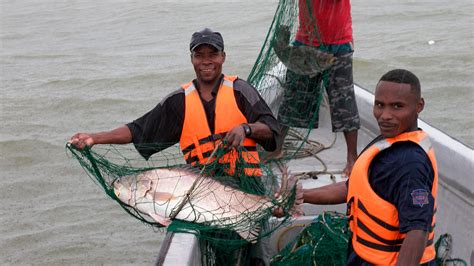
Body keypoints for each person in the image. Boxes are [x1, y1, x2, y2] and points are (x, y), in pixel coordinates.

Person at [70, 28, 280, 265]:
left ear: (223, 57)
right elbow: (139, 129)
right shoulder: (178, 101)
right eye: (199, 55)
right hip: (201, 198)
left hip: (247, 189)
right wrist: (95, 138)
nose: (206, 61)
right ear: (192, 59)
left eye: (213, 54)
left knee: (258, 259)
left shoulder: (241, 90)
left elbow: (272, 130)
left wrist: (247, 129)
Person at [302, 69, 438, 265]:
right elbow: (353, 189)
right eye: (380, 105)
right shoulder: (389, 141)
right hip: (362, 255)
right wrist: (301, 194)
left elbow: (418, 230)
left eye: (397, 106)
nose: (385, 115)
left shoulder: (410, 164)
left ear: (419, 106)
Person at [276, 0, 360, 177]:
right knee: (292, 97)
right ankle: (276, 147)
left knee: (344, 101)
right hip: (305, 42)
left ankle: (352, 158)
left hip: (339, 44)